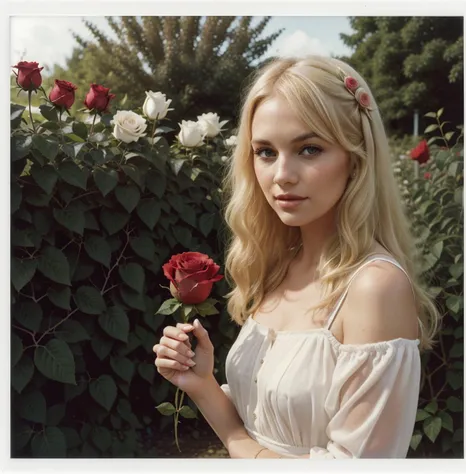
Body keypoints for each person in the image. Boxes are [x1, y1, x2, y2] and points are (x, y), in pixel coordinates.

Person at [152, 55, 442, 459]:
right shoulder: (279, 265)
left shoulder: (374, 288)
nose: (281, 174)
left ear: (356, 159)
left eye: (309, 148)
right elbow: (257, 424)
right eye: (265, 152)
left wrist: (239, 447)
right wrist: (201, 383)